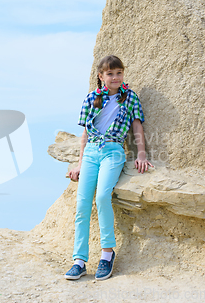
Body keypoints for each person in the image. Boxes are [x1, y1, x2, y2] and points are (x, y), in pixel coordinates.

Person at [65, 55, 153, 281]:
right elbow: (85, 134)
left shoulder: (130, 97)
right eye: (110, 74)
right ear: (101, 76)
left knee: (103, 196)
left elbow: (137, 127)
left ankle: (107, 254)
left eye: (119, 73)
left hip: (113, 151)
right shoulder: (91, 98)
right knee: (82, 204)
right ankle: (79, 261)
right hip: (92, 152)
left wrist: (141, 154)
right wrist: (79, 163)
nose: (115, 77)